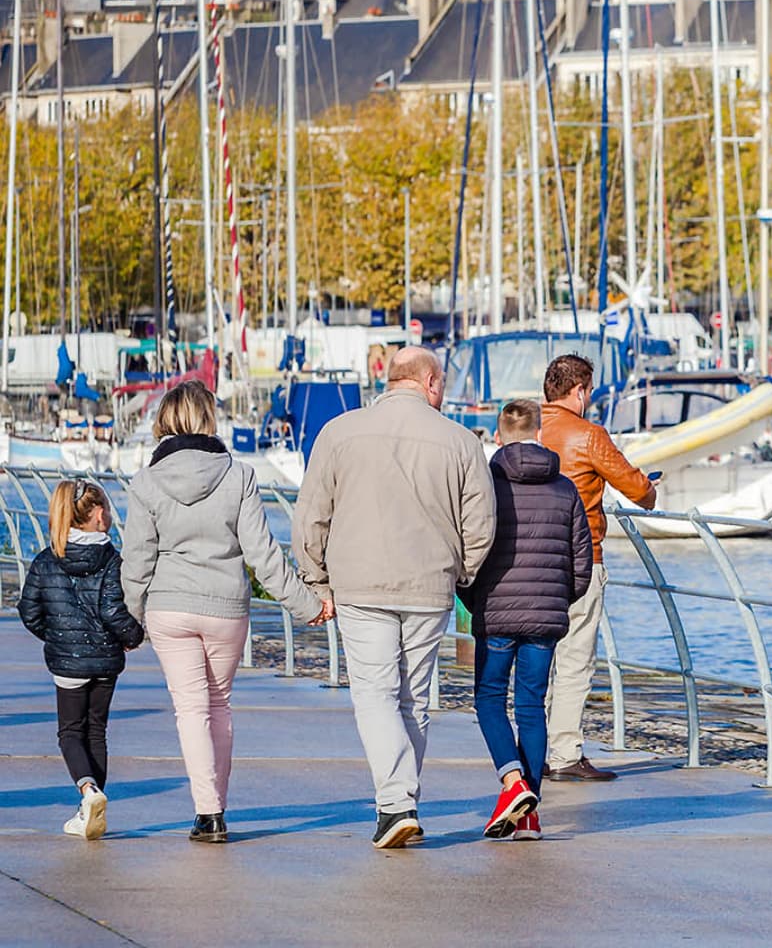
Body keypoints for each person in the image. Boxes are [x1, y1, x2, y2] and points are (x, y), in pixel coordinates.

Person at [293, 345, 496, 849]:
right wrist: (462, 573)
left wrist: (317, 581)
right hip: (430, 586)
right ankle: (401, 799)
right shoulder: (461, 442)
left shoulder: (339, 433)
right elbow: (481, 525)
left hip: (360, 584)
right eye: (443, 385)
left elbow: (310, 516)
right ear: (429, 382)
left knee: (375, 694)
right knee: (415, 699)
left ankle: (396, 803)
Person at [121, 379, 327, 844]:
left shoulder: (146, 483)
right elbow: (263, 555)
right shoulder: (237, 475)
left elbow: (137, 561)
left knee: (190, 709)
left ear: (165, 421)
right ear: (208, 419)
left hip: (169, 608)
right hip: (225, 608)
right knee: (219, 706)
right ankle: (216, 805)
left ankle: (207, 812)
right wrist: (305, 605)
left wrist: (129, 618)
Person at [461, 399, 593, 841]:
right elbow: (581, 561)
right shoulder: (565, 489)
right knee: (532, 708)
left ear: (498, 435)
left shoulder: (486, 487)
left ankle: (513, 782)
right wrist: (559, 599)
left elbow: (467, 550)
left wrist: (473, 599)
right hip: (546, 618)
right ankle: (529, 818)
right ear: (539, 433)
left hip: (495, 613)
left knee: (489, 700)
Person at [541, 354, 657, 781]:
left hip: (531, 561)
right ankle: (565, 753)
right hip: (580, 558)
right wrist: (649, 488)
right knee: (574, 660)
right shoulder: (588, 436)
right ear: (580, 391)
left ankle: (536, 746)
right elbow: (637, 489)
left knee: (538, 659)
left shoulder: (533, 428)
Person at [18, 479, 144, 840]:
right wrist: (132, 637)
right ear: (100, 515)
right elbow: (113, 610)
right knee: (96, 732)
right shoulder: (112, 560)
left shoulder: (45, 560)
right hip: (105, 661)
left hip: (67, 665)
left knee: (70, 732)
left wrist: (57, 637)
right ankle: (91, 806)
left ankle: (88, 793)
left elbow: (29, 611)